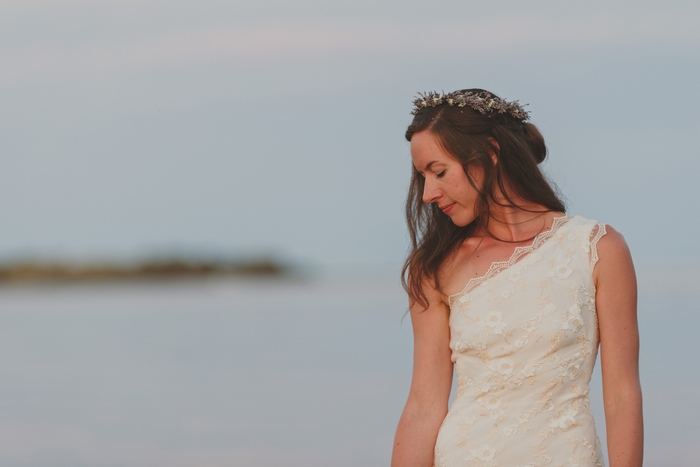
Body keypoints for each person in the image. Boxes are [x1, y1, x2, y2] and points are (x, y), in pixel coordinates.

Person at [391, 89, 643, 467]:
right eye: (422, 177)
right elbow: (423, 408)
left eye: (439, 172)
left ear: (491, 153)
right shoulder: (435, 269)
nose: (428, 194)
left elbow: (622, 394)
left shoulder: (597, 250)